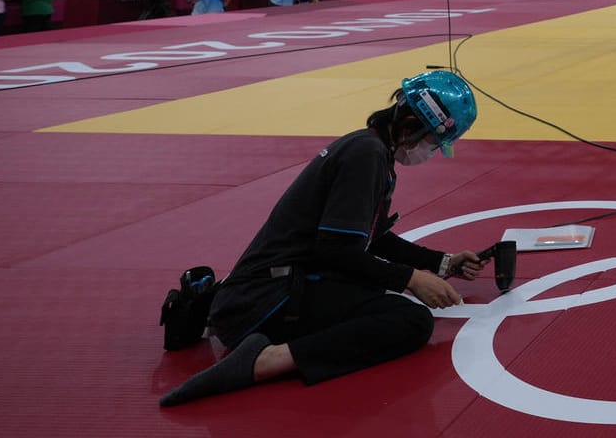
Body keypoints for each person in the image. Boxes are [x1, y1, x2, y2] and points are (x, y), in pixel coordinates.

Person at [159, 71, 484, 407]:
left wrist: (440, 263)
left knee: (374, 291)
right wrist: (411, 279)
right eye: (432, 142)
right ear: (409, 127)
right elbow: (336, 250)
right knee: (410, 320)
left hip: (266, 290)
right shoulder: (367, 156)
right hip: (264, 301)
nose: (430, 152)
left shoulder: (370, 148)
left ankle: (277, 348)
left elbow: (372, 237)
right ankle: (268, 361)